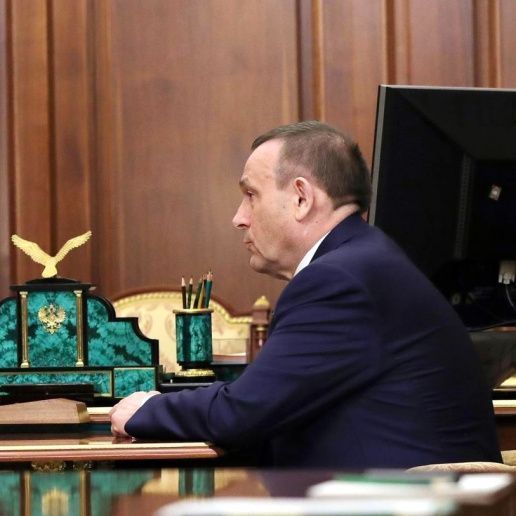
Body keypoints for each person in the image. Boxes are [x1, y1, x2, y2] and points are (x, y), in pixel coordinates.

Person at [110, 121, 501, 468]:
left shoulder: (338, 280)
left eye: (251, 195)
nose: (239, 218)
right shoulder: (364, 260)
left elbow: (242, 412)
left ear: (301, 197)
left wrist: (148, 408)